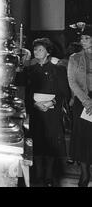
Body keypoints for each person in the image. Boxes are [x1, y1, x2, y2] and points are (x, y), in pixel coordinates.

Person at [24, 38, 70, 187]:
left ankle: (49, 176)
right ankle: (38, 175)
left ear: (48, 52)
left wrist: (51, 103)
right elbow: (26, 93)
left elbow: (63, 92)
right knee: (37, 143)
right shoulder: (30, 70)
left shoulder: (58, 69)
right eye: (36, 49)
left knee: (51, 144)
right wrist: (34, 104)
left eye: (40, 49)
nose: (37, 52)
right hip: (37, 112)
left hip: (52, 112)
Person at [67, 24, 92, 187]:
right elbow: (72, 81)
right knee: (83, 139)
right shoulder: (74, 58)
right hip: (83, 102)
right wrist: (86, 101)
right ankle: (84, 173)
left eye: (87, 38)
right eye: (82, 38)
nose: (83, 41)